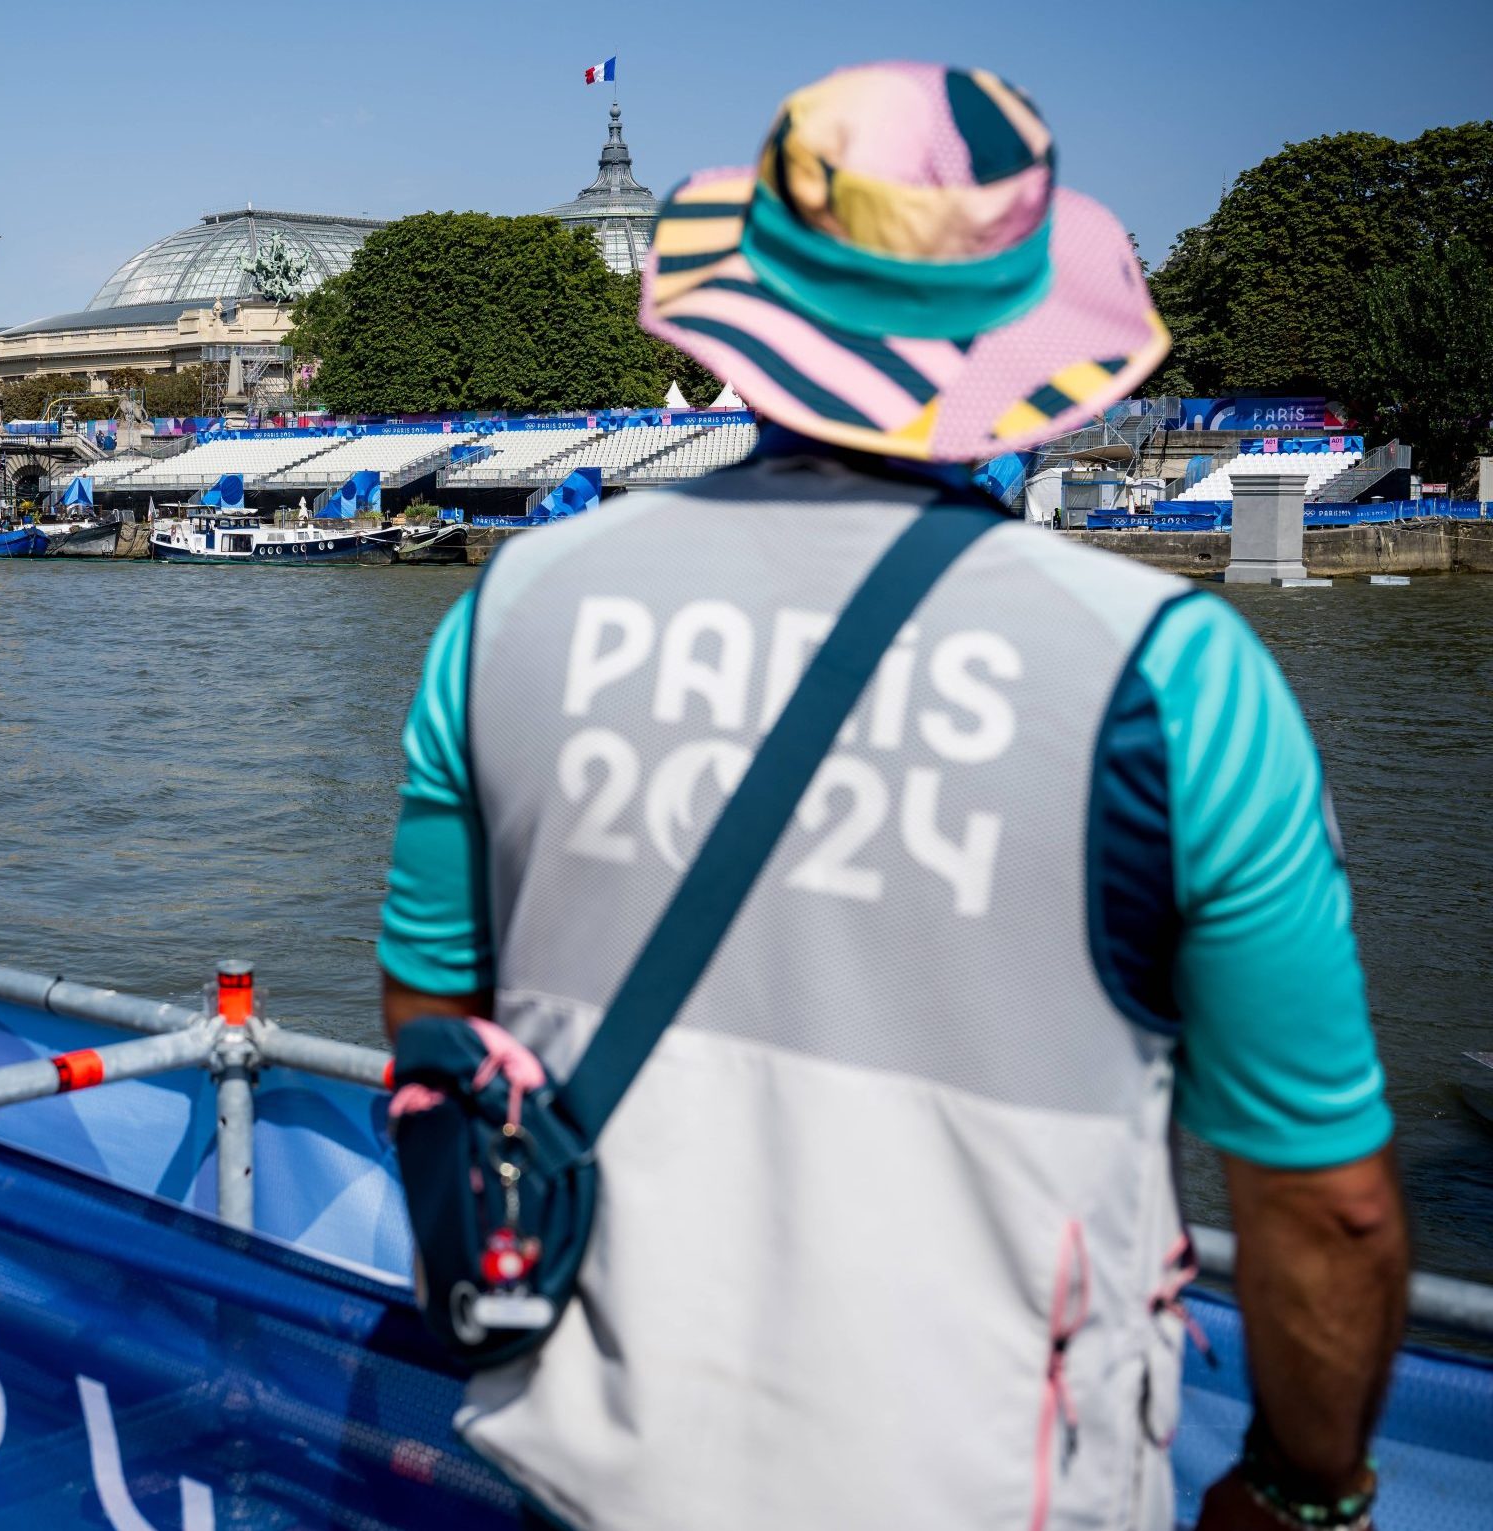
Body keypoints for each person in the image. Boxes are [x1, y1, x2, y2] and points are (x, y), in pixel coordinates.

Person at [379, 62, 1406, 1531]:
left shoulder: (517, 605)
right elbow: (1326, 1204)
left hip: (591, 1465)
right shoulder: (1165, 673)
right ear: (1017, 339)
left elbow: (433, 1026)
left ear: (754, 311)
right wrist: (1308, 1490)